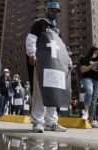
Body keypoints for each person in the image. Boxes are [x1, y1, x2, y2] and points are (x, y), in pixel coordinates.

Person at [26, 1, 71, 133]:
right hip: (42, 63)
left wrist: (68, 61)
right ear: (47, 10)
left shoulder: (57, 29)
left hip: (55, 65)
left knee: (54, 93)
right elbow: (31, 38)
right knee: (40, 93)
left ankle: (51, 122)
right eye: (51, 11)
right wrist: (32, 53)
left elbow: (62, 48)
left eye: (56, 11)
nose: (54, 13)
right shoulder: (40, 23)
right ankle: (37, 122)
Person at [80, 46, 98, 127]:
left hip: (96, 80)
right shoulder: (84, 59)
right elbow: (83, 70)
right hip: (87, 78)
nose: (96, 54)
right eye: (95, 52)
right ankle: (86, 112)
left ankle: (91, 120)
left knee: (94, 99)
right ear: (92, 51)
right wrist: (93, 64)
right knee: (89, 90)